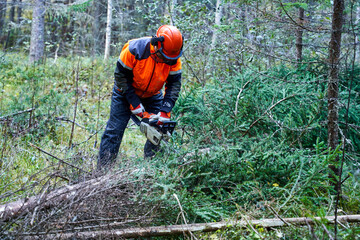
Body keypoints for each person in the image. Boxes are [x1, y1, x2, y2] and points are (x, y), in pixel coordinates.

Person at [98, 25, 183, 169]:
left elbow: (174, 85)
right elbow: (121, 77)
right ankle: (102, 172)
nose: (166, 61)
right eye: (164, 56)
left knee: (160, 130)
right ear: (157, 44)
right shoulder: (134, 49)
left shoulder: (172, 58)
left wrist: (165, 110)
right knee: (114, 131)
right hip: (125, 92)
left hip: (153, 94)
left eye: (170, 58)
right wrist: (134, 103)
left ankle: (152, 169)